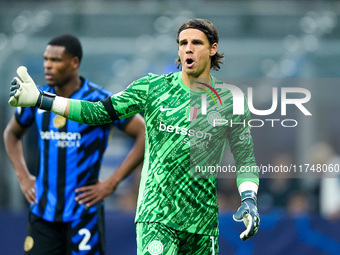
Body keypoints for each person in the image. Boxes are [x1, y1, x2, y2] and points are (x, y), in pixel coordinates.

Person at [8, 19, 260, 254]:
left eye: (196, 43)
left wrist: (249, 198)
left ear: (213, 48)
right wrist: (43, 100)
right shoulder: (153, 88)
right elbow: (97, 112)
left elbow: (245, 157)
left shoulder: (231, 99)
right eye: (183, 43)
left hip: (203, 223)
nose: (188, 49)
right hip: (157, 217)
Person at [4, 34, 145, 255]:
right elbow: (11, 133)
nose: (47, 65)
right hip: (43, 213)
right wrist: (23, 176)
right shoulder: (35, 97)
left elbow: (143, 133)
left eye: (56, 60)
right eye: (45, 59)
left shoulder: (99, 100)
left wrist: (112, 183)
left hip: (84, 214)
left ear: (74, 63)